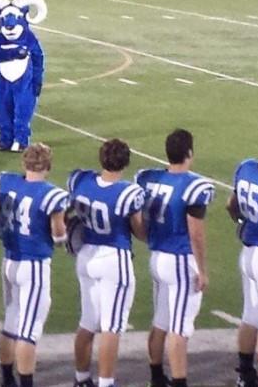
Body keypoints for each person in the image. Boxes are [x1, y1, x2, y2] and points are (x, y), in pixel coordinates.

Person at [136, 129, 214, 387]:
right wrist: (202, 269)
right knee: (180, 328)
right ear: (189, 153)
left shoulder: (149, 178)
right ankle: (179, 382)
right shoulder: (194, 185)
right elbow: (196, 234)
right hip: (181, 260)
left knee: (160, 322)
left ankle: (157, 378)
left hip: (157, 256)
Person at [68, 139, 147, 387]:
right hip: (114, 257)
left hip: (86, 256)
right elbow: (140, 231)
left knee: (87, 322)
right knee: (111, 326)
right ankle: (106, 382)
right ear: (125, 161)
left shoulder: (81, 181)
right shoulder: (128, 192)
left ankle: (81, 379)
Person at [0, 144, 69, 387]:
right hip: (33, 265)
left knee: (11, 322)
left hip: (9, 260)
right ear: (48, 166)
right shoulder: (51, 194)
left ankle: (7, 379)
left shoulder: (5, 182)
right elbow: (59, 237)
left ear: (24, 163)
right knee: (29, 330)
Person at [229, 157, 258, 387]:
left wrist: (242, 221)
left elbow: (231, 205)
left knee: (250, 315)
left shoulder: (247, 168)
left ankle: (246, 374)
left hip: (248, 253)